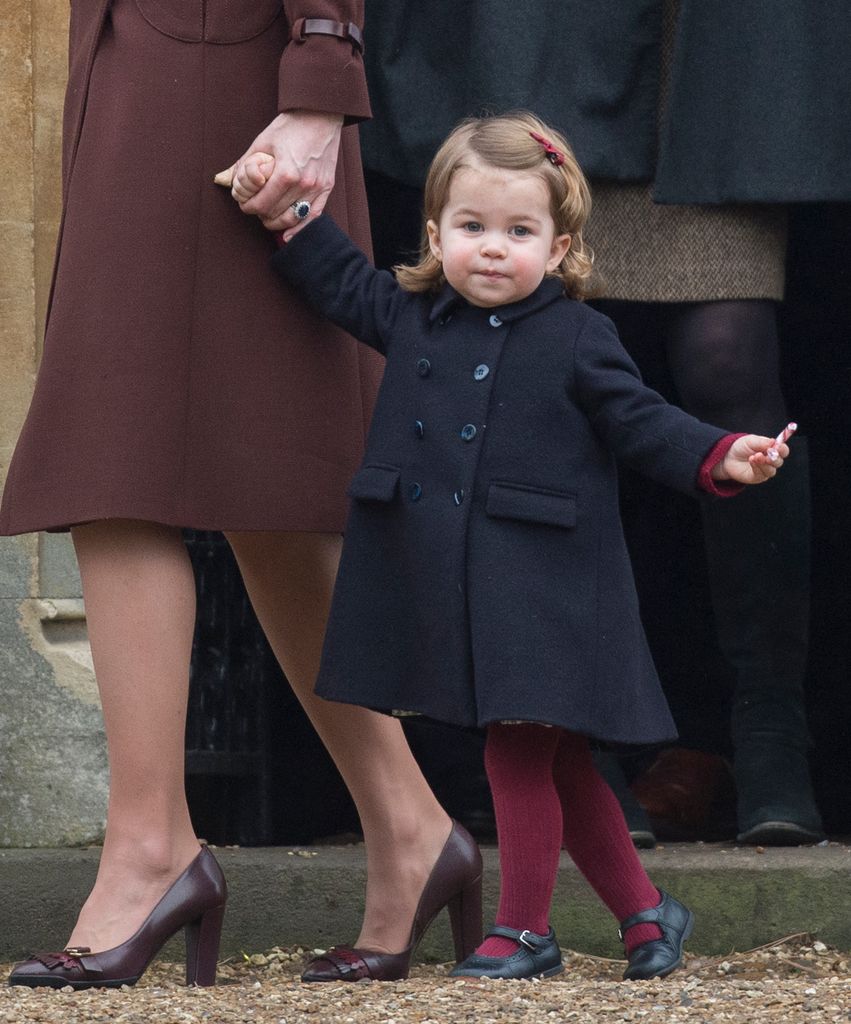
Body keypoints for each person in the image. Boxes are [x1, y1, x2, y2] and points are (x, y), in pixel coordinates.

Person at [227, 112, 794, 981]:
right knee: (560, 757)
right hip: (456, 583)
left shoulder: (578, 336)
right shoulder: (414, 314)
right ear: (435, 233)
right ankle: (646, 912)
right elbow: (340, 283)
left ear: (560, 247)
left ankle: (524, 926)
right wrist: (288, 216)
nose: (492, 249)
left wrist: (722, 452)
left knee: (518, 751)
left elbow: (642, 423)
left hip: (546, 586)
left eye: (518, 232)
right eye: (472, 228)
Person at [4, 0, 482, 991]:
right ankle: (406, 826)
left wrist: (318, 65)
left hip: (229, 70)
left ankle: (149, 849)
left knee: (122, 462)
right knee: (242, 483)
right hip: (139, 59)